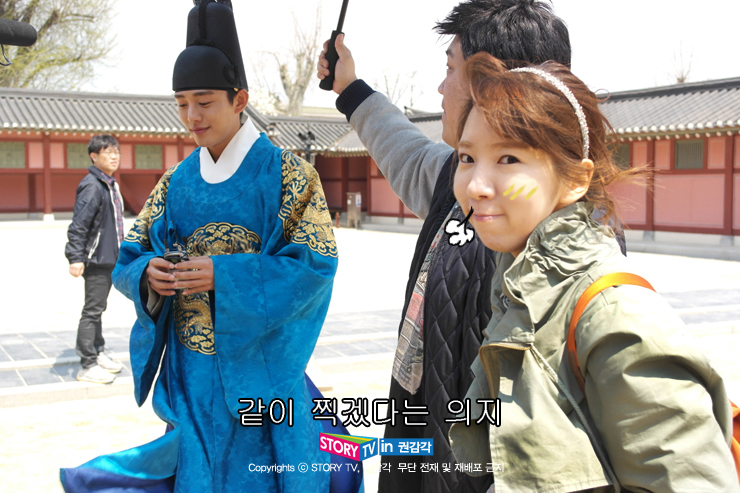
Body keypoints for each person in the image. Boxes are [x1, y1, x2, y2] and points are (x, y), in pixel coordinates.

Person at [60, 1, 348, 492]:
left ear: (240, 99)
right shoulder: (176, 182)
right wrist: (148, 273)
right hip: (190, 372)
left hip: (258, 374)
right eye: (181, 103)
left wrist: (226, 276)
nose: (191, 116)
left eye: (204, 101)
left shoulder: (289, 175)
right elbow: (131, 254)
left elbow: (315, 266)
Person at [448, 52, 739, 492]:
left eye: (508, 159)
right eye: (467, 157)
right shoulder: (520, 285)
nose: (475, 186)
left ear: (575, 180)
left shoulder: (615, 315)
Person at [318, 1, 576, 492]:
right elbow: (407, 151)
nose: (440, 88)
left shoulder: (564, 233)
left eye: (451, 68)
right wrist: (350, 89)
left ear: (494, 83)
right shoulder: (459, 182)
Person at [65, 134, 125, 384]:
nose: (114, 156)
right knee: (92, 311)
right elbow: (79, 224)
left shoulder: (108, 184)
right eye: (108, 152)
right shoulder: (92, 185)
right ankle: (87, 364)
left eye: (116, 152)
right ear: (94, 156)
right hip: (96, 260)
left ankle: (97, 352)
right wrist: (75, 257)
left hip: (108, 258)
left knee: (98, 309)